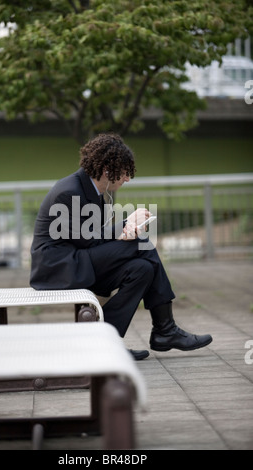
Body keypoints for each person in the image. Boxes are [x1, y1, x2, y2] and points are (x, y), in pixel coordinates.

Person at [30, 133, 212, 360]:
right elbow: (91, 240)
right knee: (144, 245)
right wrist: (127, 225)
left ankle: (105, 341)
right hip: (58, 268)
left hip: (79, 260)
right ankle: (165, 329)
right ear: (108, 169)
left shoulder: (93, 191)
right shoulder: (70, 191)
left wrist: (125, 231)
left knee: (141, 270)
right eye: (125, 172)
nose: (127, 179)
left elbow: (94, 238)